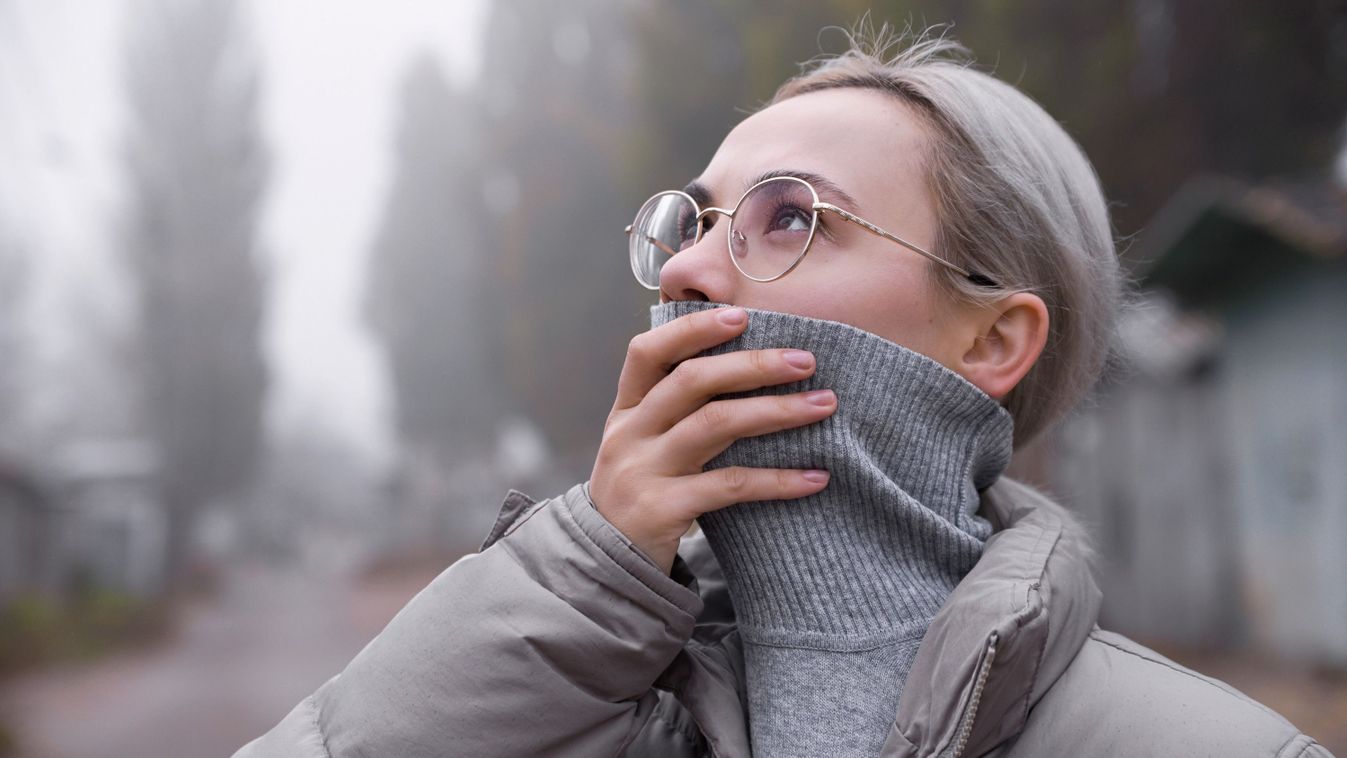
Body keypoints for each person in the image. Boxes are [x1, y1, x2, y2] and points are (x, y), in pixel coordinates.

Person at [235, 25, 1332, 758]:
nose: (684, 272)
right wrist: (580, 581)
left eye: (792, 216)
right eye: (692, 221)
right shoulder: (572, 708)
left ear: (995, 336)